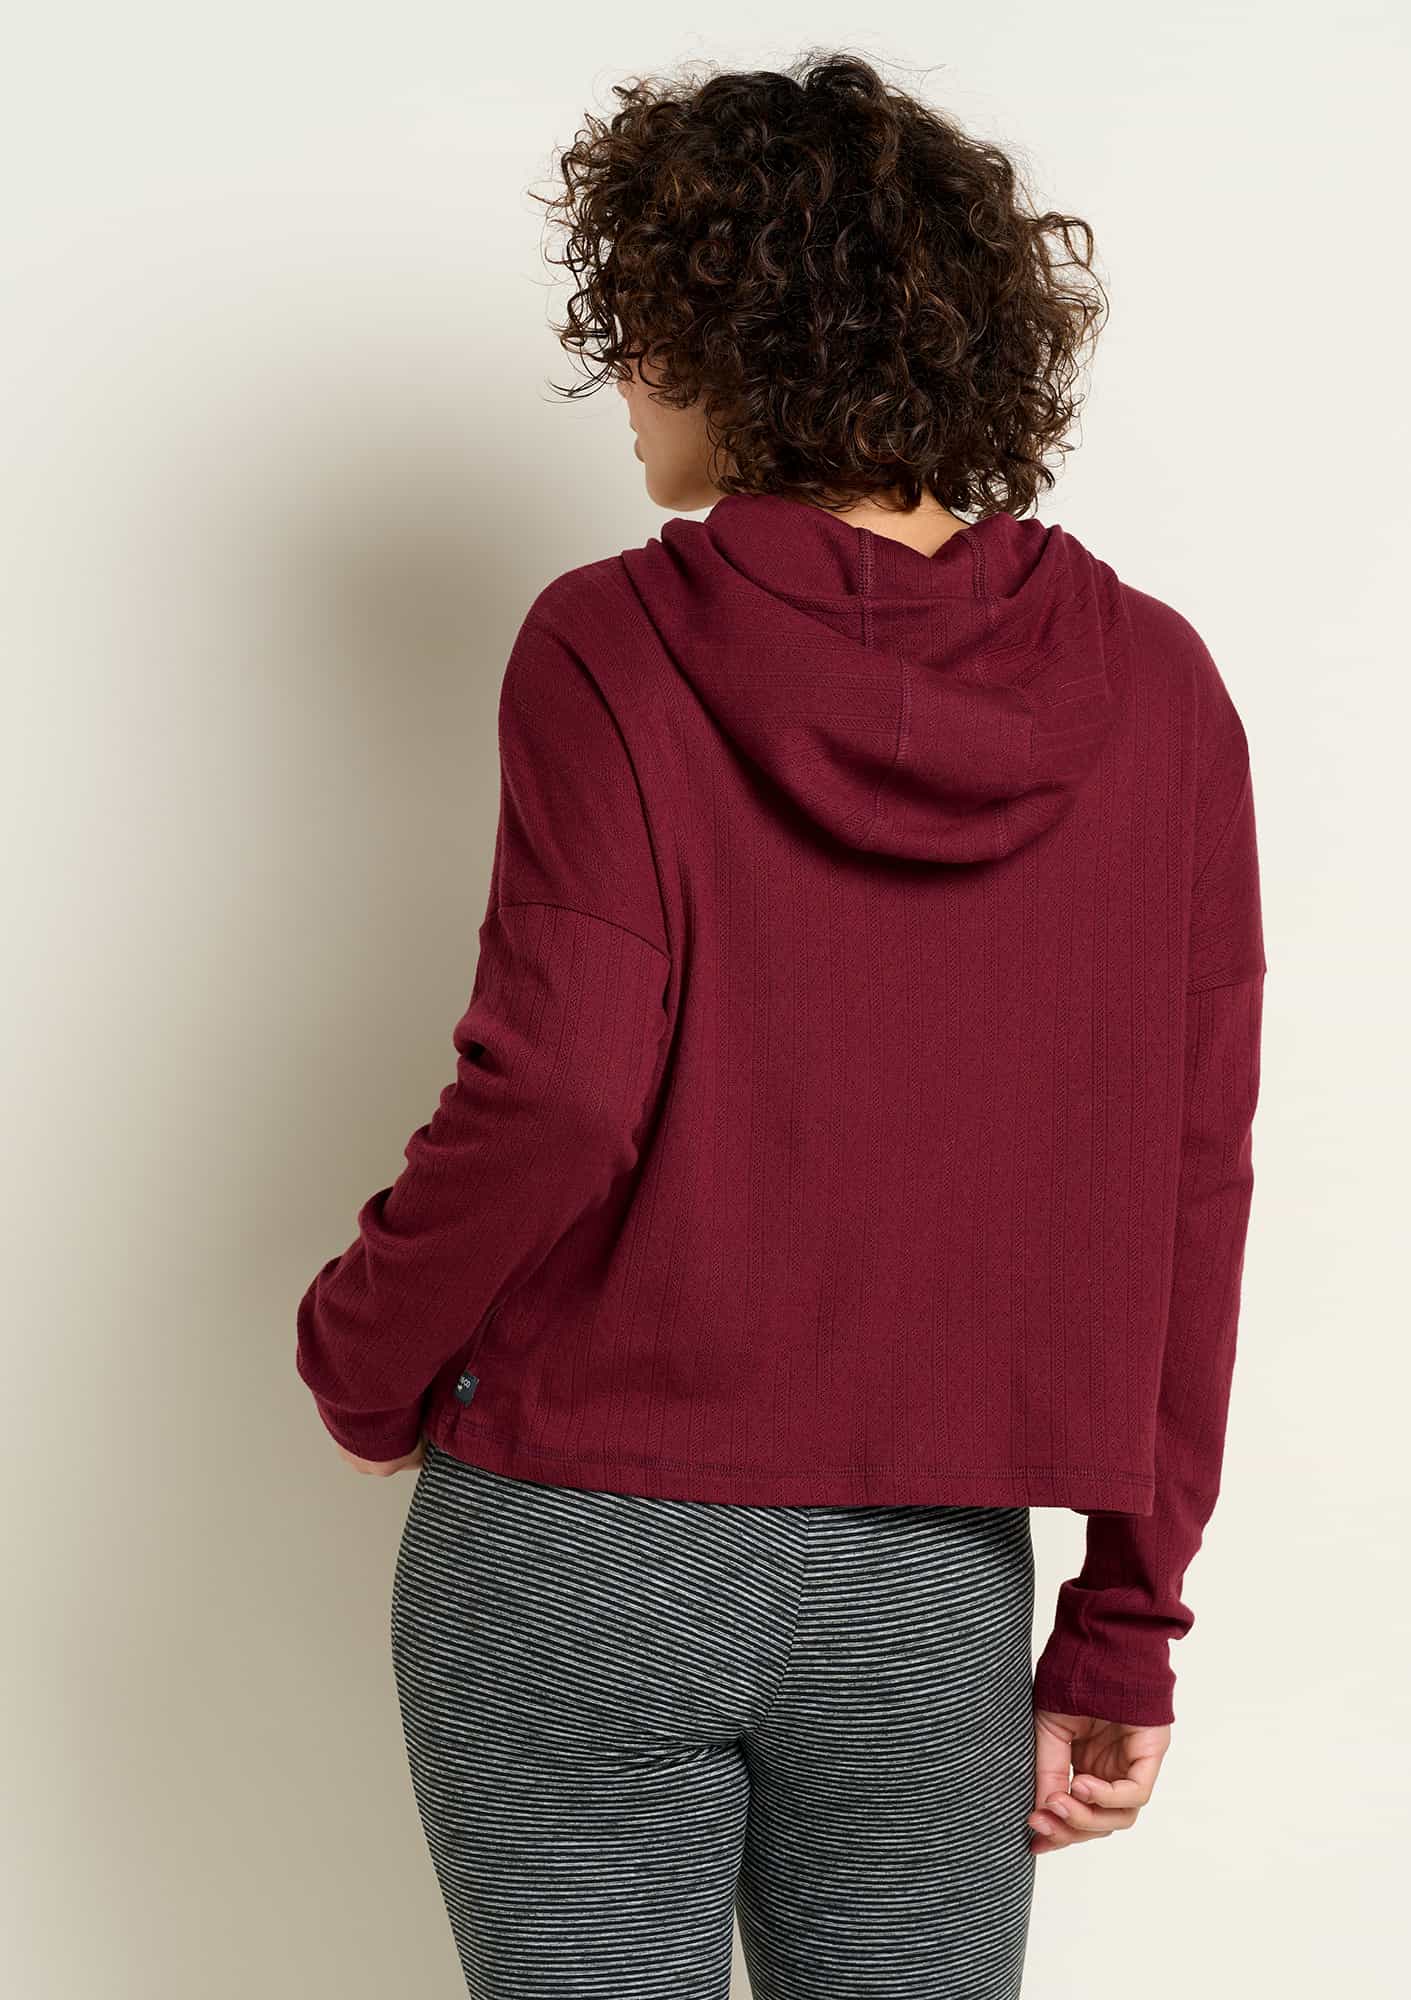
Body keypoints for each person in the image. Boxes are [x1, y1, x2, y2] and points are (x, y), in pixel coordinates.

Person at [295, 49, 1266, 2000]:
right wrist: (1126, 1616)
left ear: (724, 331)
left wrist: (362, 1349)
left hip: (576, 1534)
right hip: (927, 1578)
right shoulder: (1160, 690)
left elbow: (561, 1086)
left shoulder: (613, 641)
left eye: (642, 319)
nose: (623, 375)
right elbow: (1190, 1181)